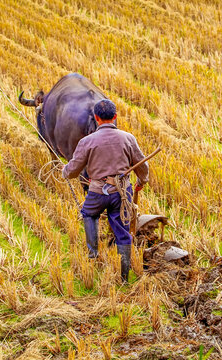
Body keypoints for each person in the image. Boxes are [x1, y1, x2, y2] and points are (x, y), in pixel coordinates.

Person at [62, 99, 149, 282]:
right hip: (122, 193)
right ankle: (124, 275)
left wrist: (65, 172)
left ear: (96, 118)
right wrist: (142, 181)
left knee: (88, 213)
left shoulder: (87, 141)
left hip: (98, 192)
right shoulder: (128, 138)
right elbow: (142, 165)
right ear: (115, 117)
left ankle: (93, 254)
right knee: (122, 229)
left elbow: (74, 169)